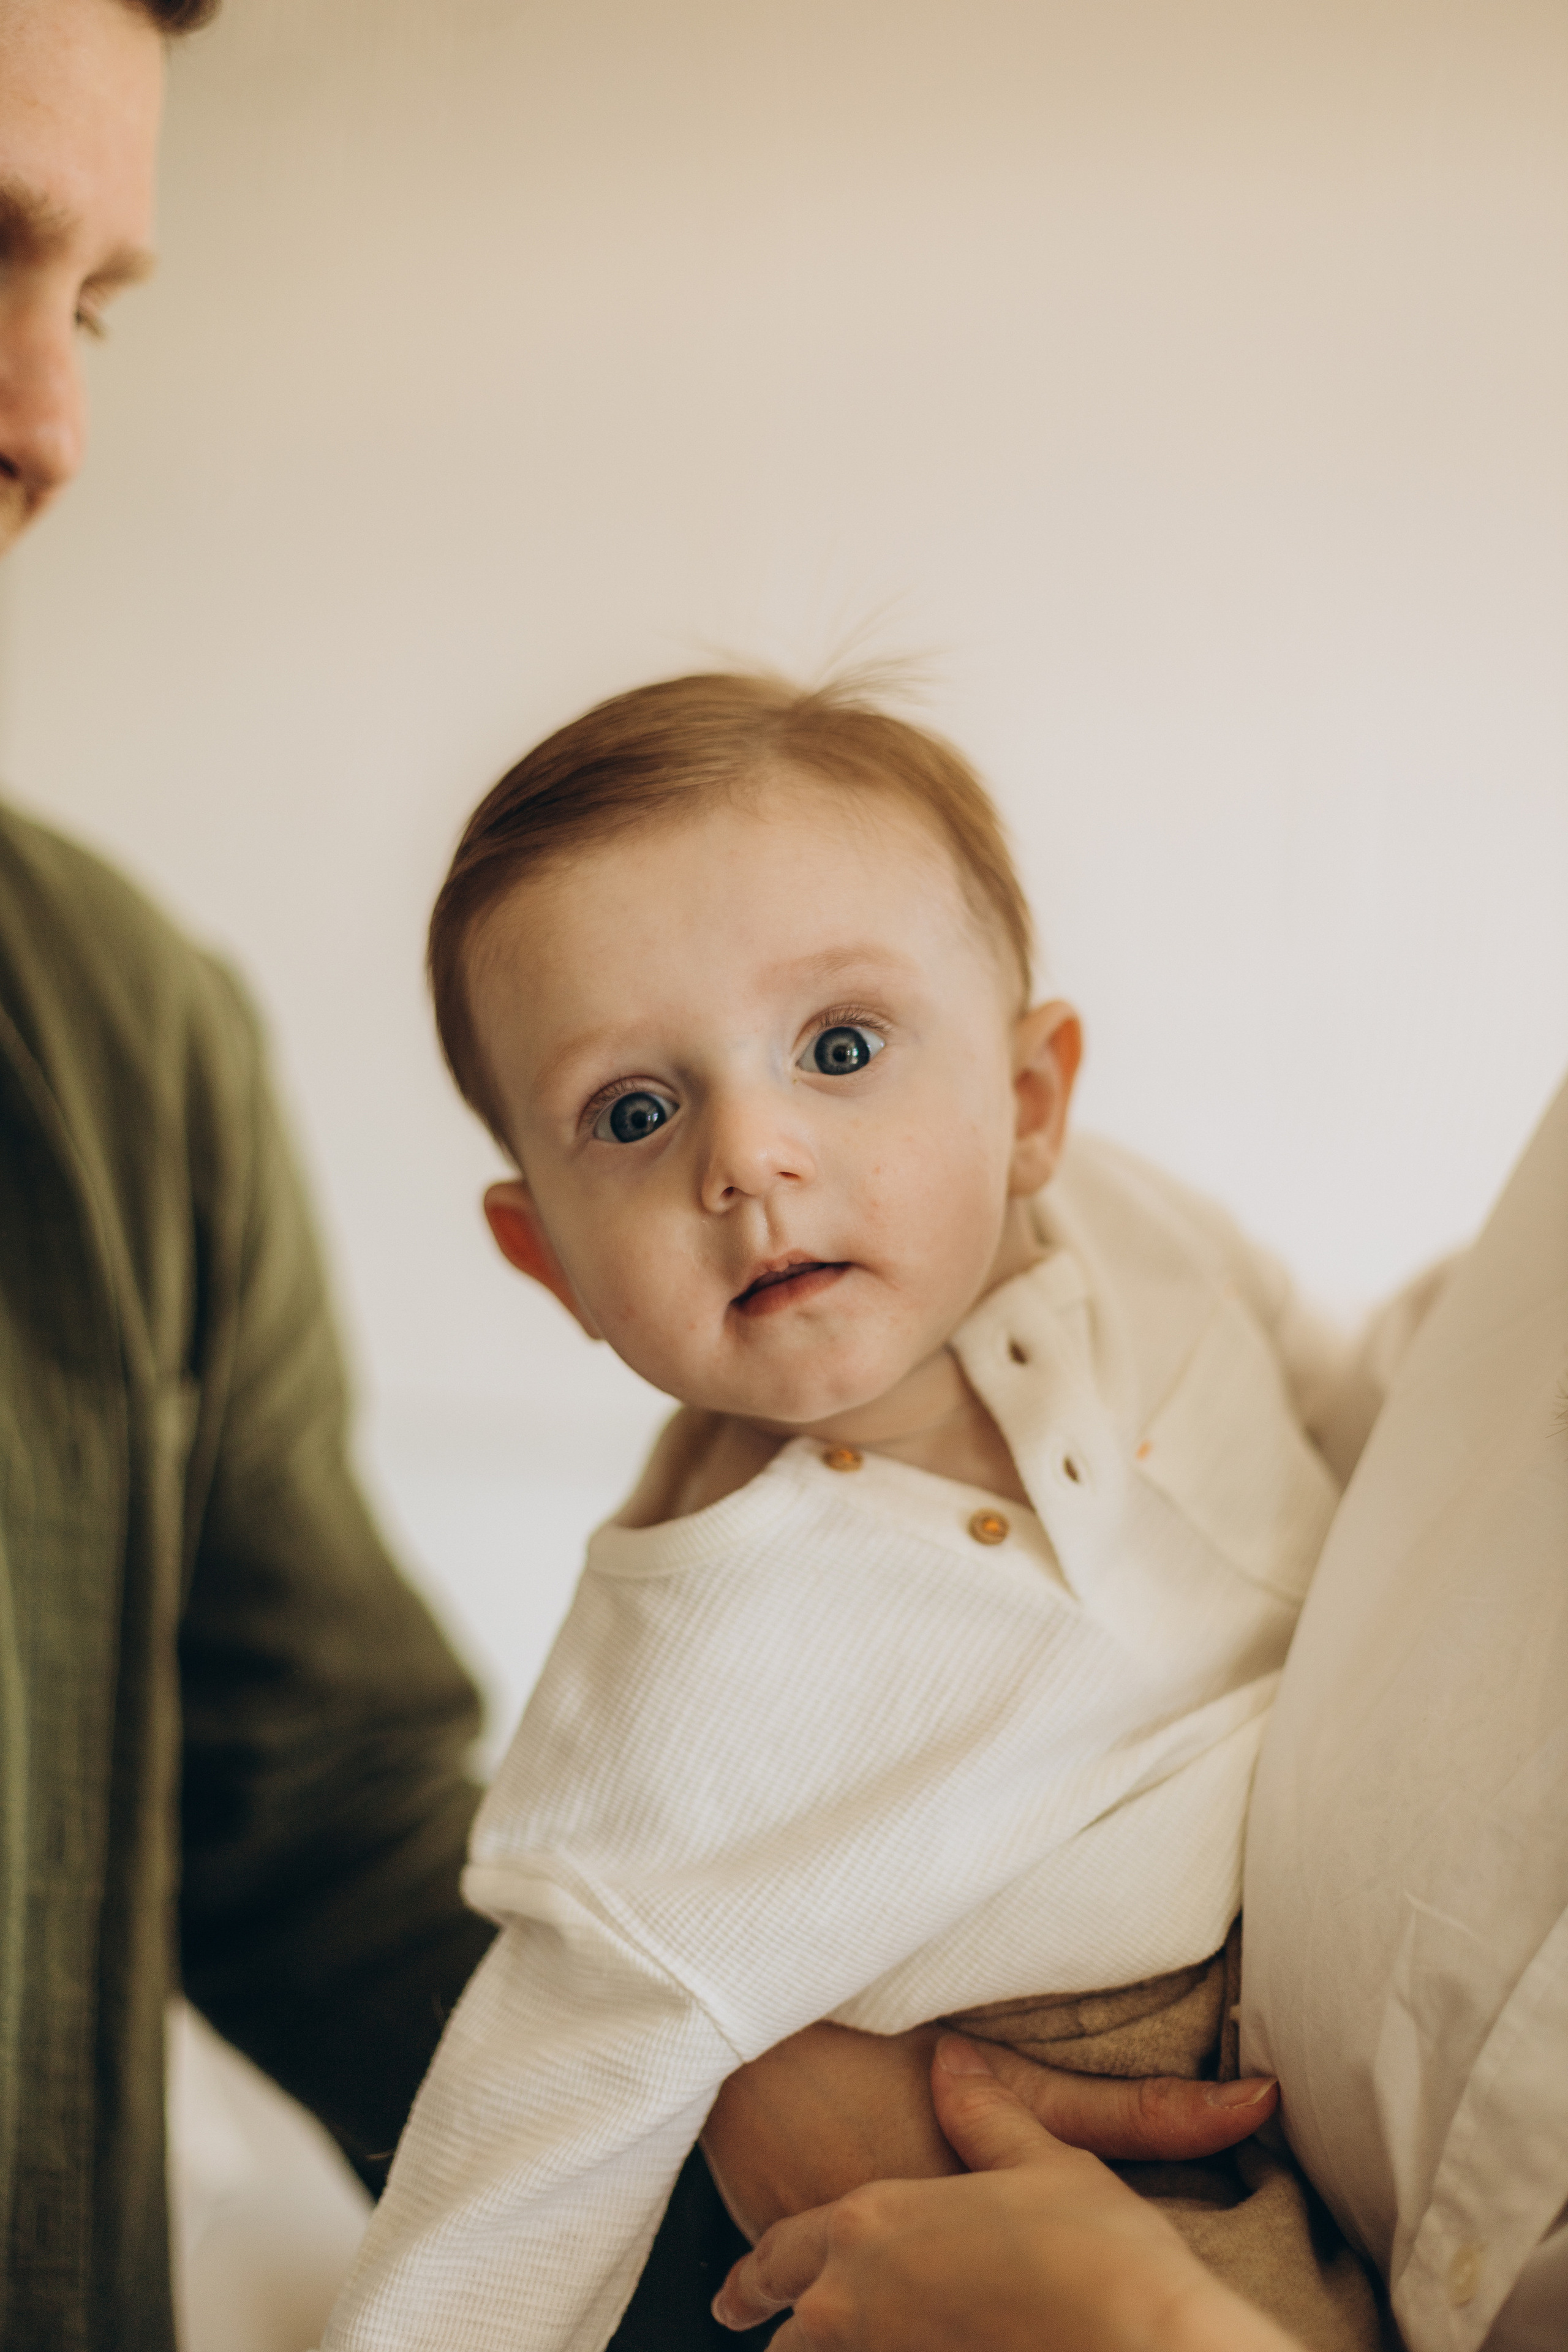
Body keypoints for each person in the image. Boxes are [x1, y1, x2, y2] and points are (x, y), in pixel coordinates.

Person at [320, 671, 1409, 2352]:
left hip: (1345, 1985)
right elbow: (500, 2201)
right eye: (634, 1111)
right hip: (1050, 2152)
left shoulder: (1136, 1236)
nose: (747, 1156)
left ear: (1033, 1103)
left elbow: (1352, 1408)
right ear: (548, 1261)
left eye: (838, 1049)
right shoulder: (671, 1701)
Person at [0, 5, 502, 2343]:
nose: (47, 428)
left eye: (88, 307)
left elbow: (336, 1830)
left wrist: (814, 2163)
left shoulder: (126, 1034)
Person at [711, 1068, 1568, 2352]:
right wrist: (765, 2053)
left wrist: (1123, 2321)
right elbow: (1391, 1436)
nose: (748, 1160)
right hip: (936, 2170)